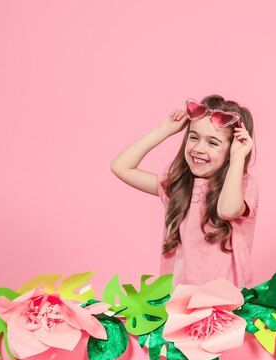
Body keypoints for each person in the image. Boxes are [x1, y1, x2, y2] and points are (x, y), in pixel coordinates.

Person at [110, 94, 259, 288]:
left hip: (223, 303)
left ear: (232, 149)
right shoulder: (178, 185)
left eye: (213, 142)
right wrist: (163, 131)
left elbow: (226, 210)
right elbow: (120, 167)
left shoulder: (244, 186)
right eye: (193, 137)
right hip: (177, 301)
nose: (198, 148)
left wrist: (238, 157)